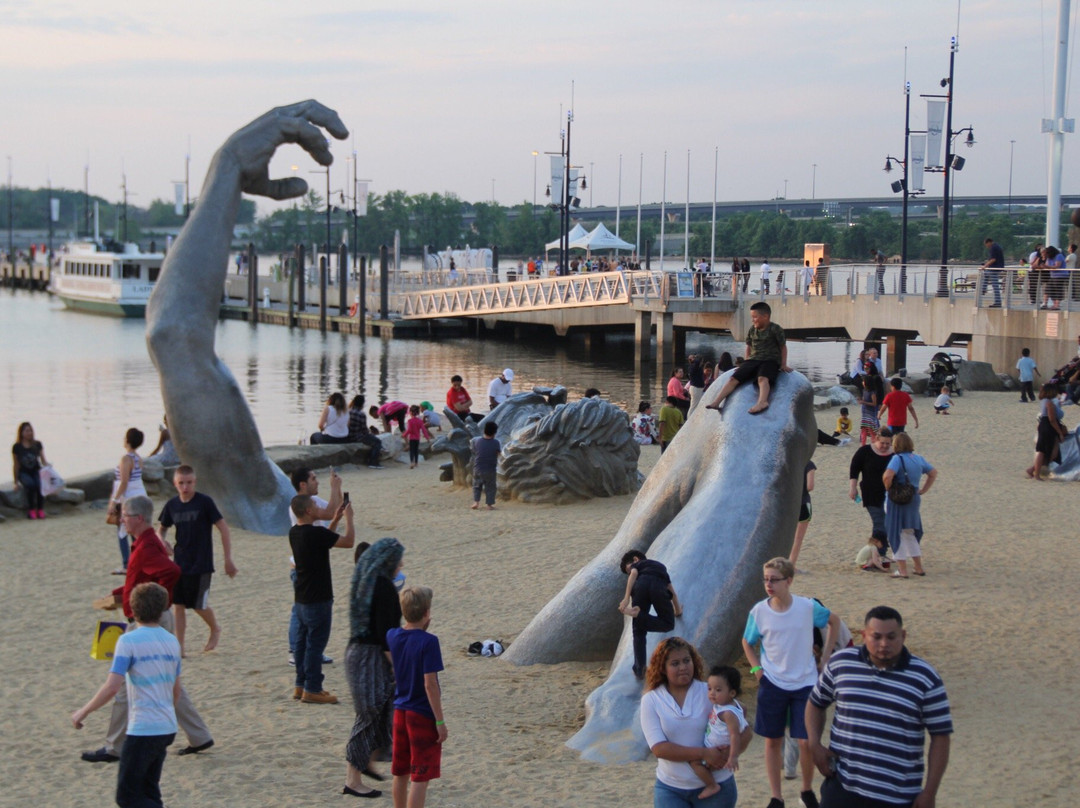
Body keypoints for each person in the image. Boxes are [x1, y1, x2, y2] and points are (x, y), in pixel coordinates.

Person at [79, 495, 214, 764]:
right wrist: (120, 593)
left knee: (120, 687)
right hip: (151, 617)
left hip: (148, 619)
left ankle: (114, 747)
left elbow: (171, 572)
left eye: (125, 516)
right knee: (169, 682)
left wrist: (154, 597)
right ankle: (199, 736)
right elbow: (142, 577)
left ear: (139, 518)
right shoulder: (145, 543)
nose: (121, 520)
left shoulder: (148, 546)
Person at [806, 606, 952, 808]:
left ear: (903, 636)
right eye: (877, 637)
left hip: (897, 796)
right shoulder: (841, 664)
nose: (884, 644)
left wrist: (930, 791)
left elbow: (941, 736)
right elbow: (815, 703)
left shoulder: (925, 677)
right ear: (864, 635)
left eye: (891, 637)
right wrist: (814, 744)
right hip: (842, 788)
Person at [72, 583, 181, 808]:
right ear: (162, 611)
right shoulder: (172, 641)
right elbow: (176, 689)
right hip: (167, 726)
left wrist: (83, 712)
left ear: (131, 609)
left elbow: (112, 687)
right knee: (149, 790)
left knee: (128, 796)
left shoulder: (128, 641)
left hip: (144, 728)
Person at [742, 558, 839, 808]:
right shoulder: (759, 611)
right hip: (772, 682)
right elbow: (747, 641)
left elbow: (834, 621)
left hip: (805, 683)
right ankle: (777, 796)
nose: (769, 584)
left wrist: (826, 657)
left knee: (806, 741)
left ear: (789, 581)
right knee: (772, 740)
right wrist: (756, 669)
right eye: (765, 579)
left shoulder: (807, 607)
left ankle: (806, 790)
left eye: (774, 579)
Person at [639, 637, 753, 808]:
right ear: (662, 668)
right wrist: (703, 754)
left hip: (719, 786)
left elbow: (745, 725)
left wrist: (729, 753)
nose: (683, 667)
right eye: (675, 663)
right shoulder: (651, 700)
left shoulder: (711, 691)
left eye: (687, 661)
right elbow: (659, 749)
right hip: (671, 789)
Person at [343, 537, 405, 799]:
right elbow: (386, 636)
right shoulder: (384, 588)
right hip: (369, 658)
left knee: (380, 708)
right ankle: (353, 780)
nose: (401, 564)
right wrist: (399, 668)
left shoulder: (367, 583)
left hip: (358, 654)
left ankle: (369, 758)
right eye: (399, 559)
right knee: (368, 715)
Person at [157, 465, 237, 656]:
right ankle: (180, 647)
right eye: (181, 483)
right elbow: (161, 529)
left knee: (198, 604)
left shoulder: (204, 502)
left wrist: (228, 559)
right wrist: (163, 542)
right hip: (179, 562)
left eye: (189, 483)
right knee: (179, 604)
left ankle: (215, 628)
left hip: (202, 562)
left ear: (195, 482)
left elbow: (223, 528)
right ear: (175, 484)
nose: (185, 487)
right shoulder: (172, 505)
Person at [289, 493, 355, 703]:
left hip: (301, 597)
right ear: (309, 511)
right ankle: (313, 688)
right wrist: (349, 519)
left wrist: (334, 520)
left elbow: (323, 542)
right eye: (315, 505)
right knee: (315, 645)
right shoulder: (315, 533)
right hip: (318, 598)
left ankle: (301, 685)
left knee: (301, 643)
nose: (319, 506)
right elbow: (348, 542)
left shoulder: (295, 532)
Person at [388, 586, 447, 808]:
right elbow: (430, 684)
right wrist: (440, 721)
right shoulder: (428, 642)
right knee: (420, 776)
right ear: (426, 613)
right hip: (420, 713)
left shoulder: (393, 635)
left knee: (400, 772)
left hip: (400, 710)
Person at [287, 467, 342, 666]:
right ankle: (295, 651)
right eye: (313, 478)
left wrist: (337, 490)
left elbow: (334, 510)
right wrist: (335, 487)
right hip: (302, 564)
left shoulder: (312, 502)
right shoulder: (301, 505)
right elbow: (330, 512)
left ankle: (306, 652)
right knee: (300, 611)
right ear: (303, 484)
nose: (316, 482)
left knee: (303, 611)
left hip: (312, 560)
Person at [706, 301, 792, 416]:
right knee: (733, 379)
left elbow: (783, 347)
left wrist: (783, 364)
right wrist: (745, 364)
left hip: (770, 360)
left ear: (765, 316)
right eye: (752, 317)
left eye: (755, 317)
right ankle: (717, 401)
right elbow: (749, 346)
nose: (753, 320)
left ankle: (762, 402)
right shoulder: (752, 329)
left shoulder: (775, 329)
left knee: (762, 379)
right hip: (753, 359)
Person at [617, 550, 682, 679]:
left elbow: (634, 573)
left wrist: (626, 598)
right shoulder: (660, 567)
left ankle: (640, 669)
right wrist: (678, 610)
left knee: (638, 631)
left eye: (628, 570)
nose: (629, 573)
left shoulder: (638, 565)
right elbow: (672, 592)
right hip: (659, 587)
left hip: (640, 586)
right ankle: (639, 615)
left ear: (635, 559)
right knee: (668, 624)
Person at [688, 666, 749, 800]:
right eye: (709, 689)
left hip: (717, 751)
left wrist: (732, 756)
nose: (712, 693)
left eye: (718, 690)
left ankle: (711, 785)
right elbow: (743, 710)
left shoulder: (727, 713)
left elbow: (735, 735)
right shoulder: (731, 705)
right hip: (714, 747)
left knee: (695, 763)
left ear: (732, 693)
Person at [883, 432, 937, 578]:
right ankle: (918, 567)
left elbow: (887, 476)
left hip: (898, 499)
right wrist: (923, 490)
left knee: (896, 532)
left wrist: (888, 488)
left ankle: (902, 570)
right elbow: (933, 473)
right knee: (910, 532)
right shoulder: (918, 458)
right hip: (913, 496)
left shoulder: (897, 458)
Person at [849, 427, 894, 569]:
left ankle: (879, 553)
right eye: (883, 443)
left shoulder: (895, 454)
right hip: (871, 494)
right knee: (879, 523)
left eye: (888, 443)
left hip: (890, 495)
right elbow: (854, 469)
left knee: (888, 524)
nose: (885, 446)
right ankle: (878, 555)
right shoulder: (865, 451)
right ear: (875, 440)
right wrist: (853, 487)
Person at [109, 428, 148, 575]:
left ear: (127, 440)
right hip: (140, 495)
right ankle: (138, 562)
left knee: (123, 530)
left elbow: (124, 482)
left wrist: (115, 500)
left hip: (129, 498)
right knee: (135, 532)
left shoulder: (126, 459)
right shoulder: (138, 458)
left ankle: (127, 564)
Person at [1027, 382, 1068, 481]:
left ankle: (1034, 469)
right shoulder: (1049, 403)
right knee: (1043, 450)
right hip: (1048, 426)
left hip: (1045, 425)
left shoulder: (1045, 401)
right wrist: (1059, 432)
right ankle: (1036, 473)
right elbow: (1052, 419)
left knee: (1050, 451)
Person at [12, 421, 47, 519]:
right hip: (23, 472)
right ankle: (31, 509)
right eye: (27, 431)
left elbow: (43, 460)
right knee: (30, 485)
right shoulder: (17, 447)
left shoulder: (37, 444)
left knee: (39, 485)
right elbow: (16, 464)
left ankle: (40, 509)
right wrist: (15, 482)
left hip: (36, 470)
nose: (29, 433)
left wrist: (49, 469)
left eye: (31, 430)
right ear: (21, 433)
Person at [788, 461, 816, 569]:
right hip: (803, 502)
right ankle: (791, 565)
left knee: (786, 536)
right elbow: (810, 486)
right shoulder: (809, 464)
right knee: (798, 538)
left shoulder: (791, 462)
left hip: (789, 503)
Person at [347, 395, 386, 469]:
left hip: (348, 436)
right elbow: (364, 430)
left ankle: (381, 449)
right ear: (362, 404)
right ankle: (373, 462)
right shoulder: (361, 414)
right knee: (377, 442)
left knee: (374, 438)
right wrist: (371, 434)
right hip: (357, 437)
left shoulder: (349, 411)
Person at [471, 421, 500, 510]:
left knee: (477, 486)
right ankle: (489, 504)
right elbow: (498, 453)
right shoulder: (496, 442)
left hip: (478, 467)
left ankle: (476, 502)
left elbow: (475, 451)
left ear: (484, 430)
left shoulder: (478, 441)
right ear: (494, 433)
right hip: (490, 469)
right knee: (490, 487)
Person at [404, 405, 433, 469]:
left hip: (412, 438)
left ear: (410, 412)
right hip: (417, 438)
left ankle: (412, 462)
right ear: (418, 412)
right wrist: (427, 438)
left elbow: (409, 430)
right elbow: (424, 430)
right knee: (416, 451)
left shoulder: (410, 421)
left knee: (411, 451)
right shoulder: (420, 421)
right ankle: (416, 463)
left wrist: (404, 434)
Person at [980, 237, 1005, 307]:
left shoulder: (993, 248)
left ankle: (997, 302)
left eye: (986, 245)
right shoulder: (997, 246)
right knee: (986, 274)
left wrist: (985, 266)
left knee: (995, 286)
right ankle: (983, 289)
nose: (986, 246)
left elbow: (993, 259)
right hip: (997, 267)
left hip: (994, 268)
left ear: (989, 242)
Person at [858, 373, 881, 446]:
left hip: (871, 414)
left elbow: (874, 404)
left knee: (871, 431)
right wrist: (861, 400)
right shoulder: (864, 390)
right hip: (865, 413)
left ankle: (873, 445)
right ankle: (863, 445)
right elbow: (865, 400)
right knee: (863, 430)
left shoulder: (872, 392)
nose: (862, 382)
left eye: (863, 381)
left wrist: (864, 402)